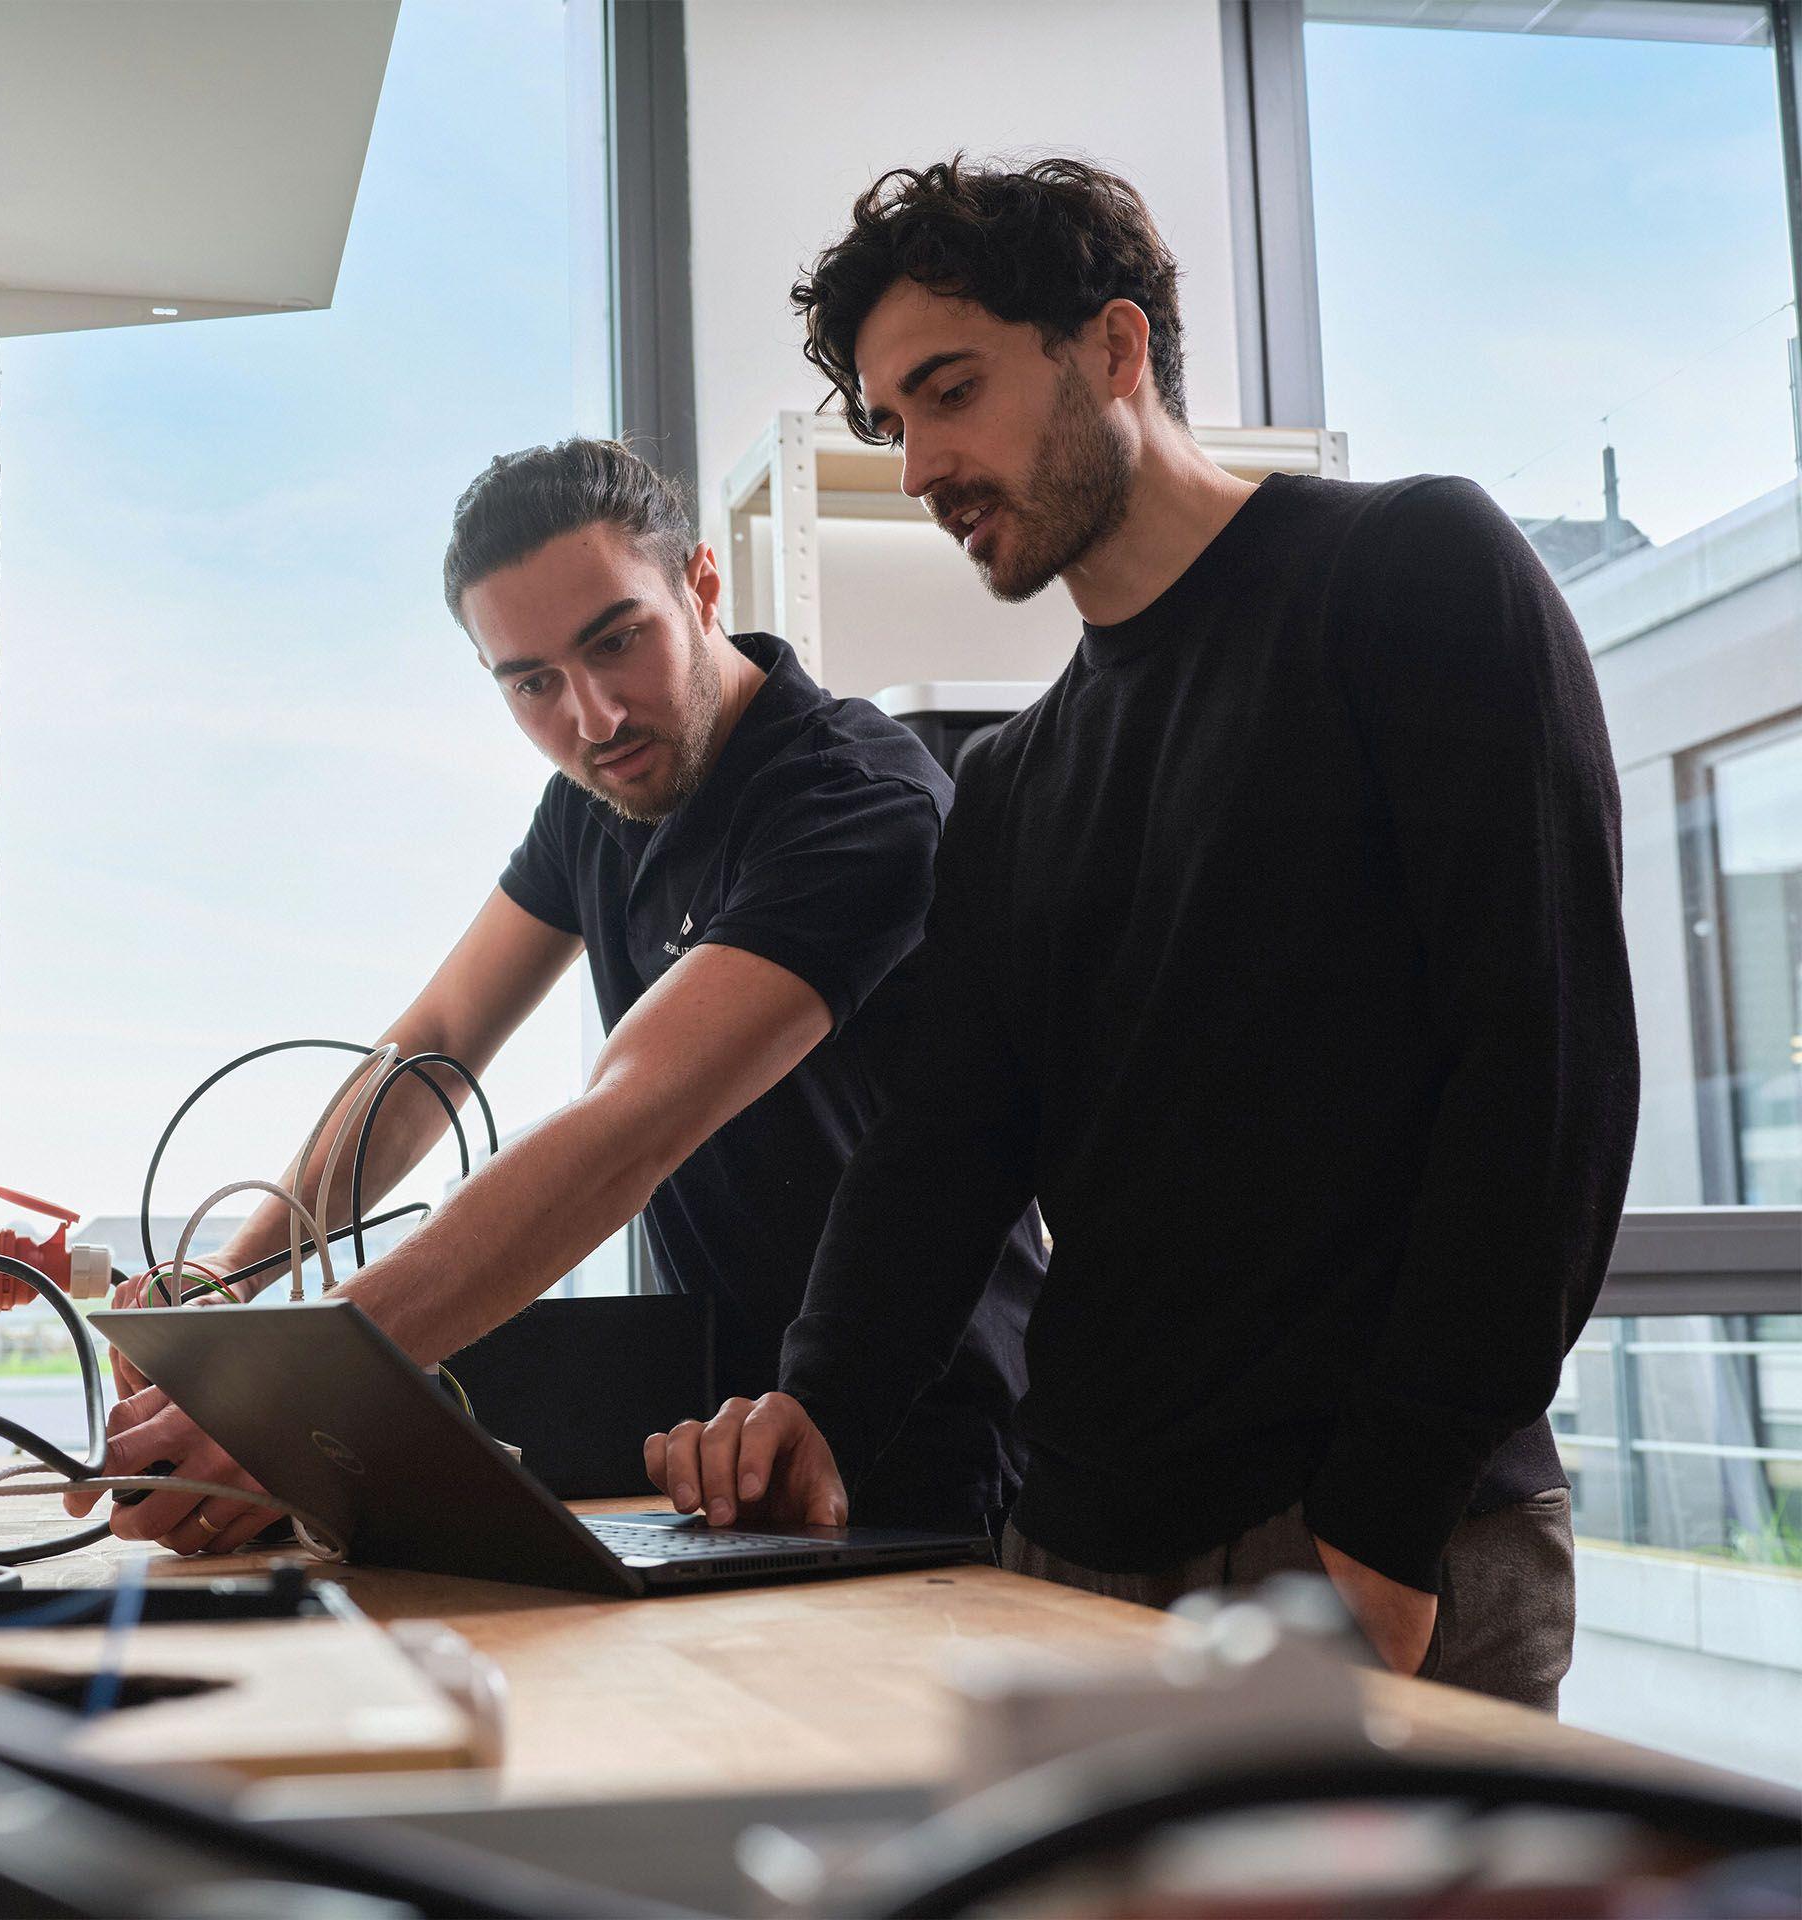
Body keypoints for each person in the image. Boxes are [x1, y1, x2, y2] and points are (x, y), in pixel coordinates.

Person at [650, 157, 1636, 1712]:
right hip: (1080, 1547)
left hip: (1379, 1535)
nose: (919, 467)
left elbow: (1546, 1088)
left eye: (950, 392)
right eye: (891, 421)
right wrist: (814, 1406)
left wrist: (1385, 1525)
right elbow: (943, 1157)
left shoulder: (1416, 578)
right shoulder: (1015, 781)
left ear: (1115, 350)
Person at [82, 437, 1044, 1555]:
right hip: (737, 1450)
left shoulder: (855, 803)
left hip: (927, 1445)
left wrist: (301, 1391)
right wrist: (237, 1276)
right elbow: (434, 1043)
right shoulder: (595, 805)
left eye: (615, 641)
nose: (590, 719)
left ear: (700, 585)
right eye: (531, 683)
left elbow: (624, 1129)